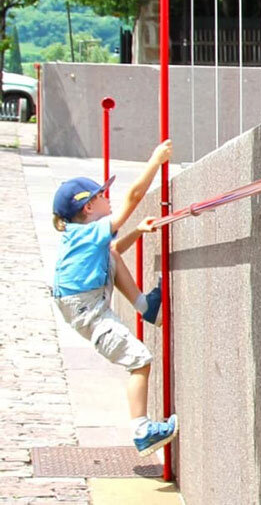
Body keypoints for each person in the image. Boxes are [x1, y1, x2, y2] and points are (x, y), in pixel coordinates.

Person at [50, 139, 179, 457]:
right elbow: (134, 197)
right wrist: (155, 160)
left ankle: (147, 308)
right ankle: (142, 431)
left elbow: (114, 254)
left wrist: (137, 231)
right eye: (101, 196)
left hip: (84, 304)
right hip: (88, 311)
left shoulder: (85, 237)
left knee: (109, 251)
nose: (108, 199)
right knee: (140, 361)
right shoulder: (87, 232)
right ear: (88, 208)